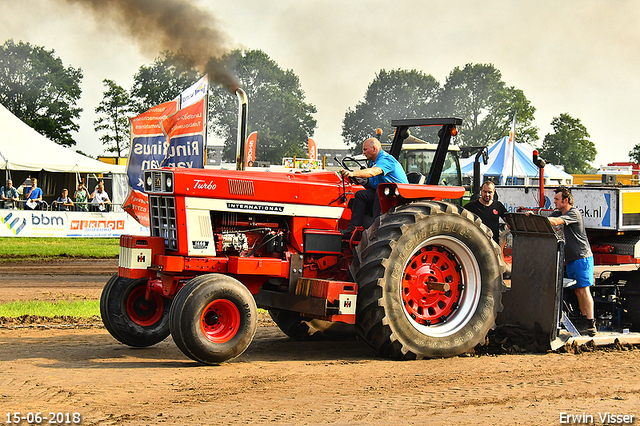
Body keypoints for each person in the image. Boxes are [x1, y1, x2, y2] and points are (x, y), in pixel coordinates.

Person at [548, 187, 597, 337]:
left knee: (584, 289)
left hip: (582, 258)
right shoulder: (559, 212)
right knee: (577, 290)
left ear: (566, 201)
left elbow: (555, 222)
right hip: (571, 259)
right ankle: (584, 320)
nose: (554, 202)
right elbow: (548, 217)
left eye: (557, 199)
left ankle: (591, 323)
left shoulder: (573, 213)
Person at [339, 138, 408, 235]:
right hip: (384, 193)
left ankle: (376, 228)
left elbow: (372, 172)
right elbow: (373, 182)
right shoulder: (374, 162)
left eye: (365, 149)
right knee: (360, 195)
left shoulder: (386, 160)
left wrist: (353, 173)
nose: (363, 153)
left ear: (374, 149)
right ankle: (353, 229)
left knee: (379, 192)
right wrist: (362, 181)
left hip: (397, 197)